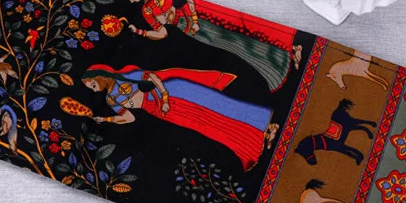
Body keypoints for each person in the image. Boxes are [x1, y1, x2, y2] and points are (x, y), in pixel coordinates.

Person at [82, 64, 279, 171]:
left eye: (93, 84)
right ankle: (253, 144)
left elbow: (152, 77)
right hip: (161, 111)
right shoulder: (110, 99)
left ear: (100, 76)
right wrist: (106, 120)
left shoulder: (125, 75)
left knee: (218, 106)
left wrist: (164, 98)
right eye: (91, 88)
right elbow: (129, 118)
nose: (94, 89)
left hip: (173, 94)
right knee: (209, 126)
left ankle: (265, 125)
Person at [120, 0, 300, 92]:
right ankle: (276, 67)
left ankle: (287, 49)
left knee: (243, 29)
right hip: (195, 32)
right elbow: (163, 33)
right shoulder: (146, 10)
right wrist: (141, 32)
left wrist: (194, 18)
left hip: (203, 15)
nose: (131, 1)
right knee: (235, 45)